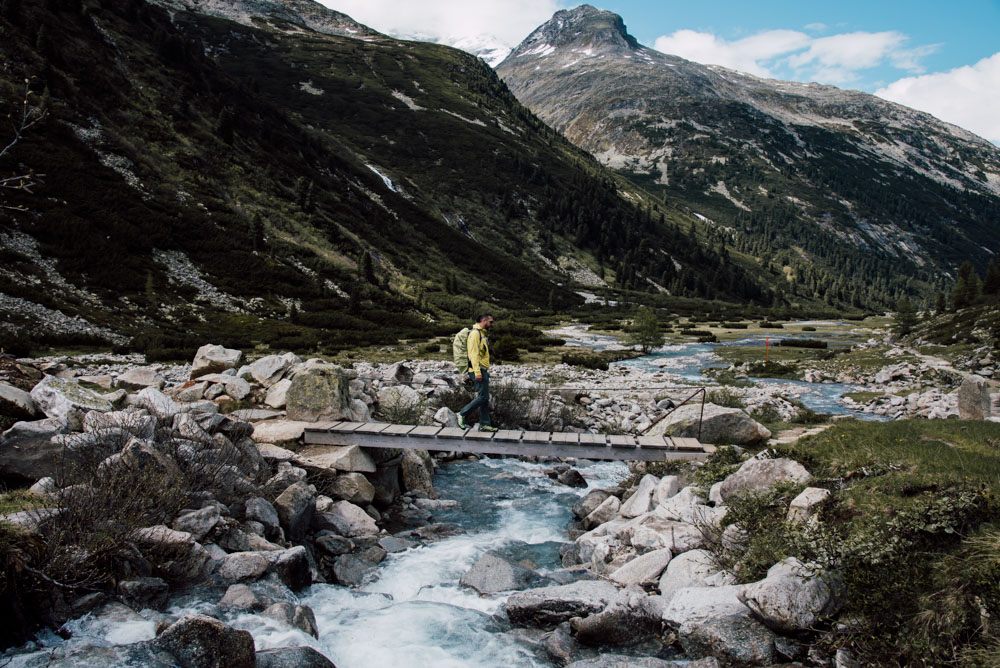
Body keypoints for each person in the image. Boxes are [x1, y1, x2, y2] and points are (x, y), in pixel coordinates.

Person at [457, 313, 497, 432]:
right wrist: (477, 372)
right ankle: (462, 414)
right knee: (484, 396)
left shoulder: (481, 334)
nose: (492, 324)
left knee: (484, 397)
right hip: (477, 370)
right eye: (491, 322)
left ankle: (484, 424)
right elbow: (473, 354)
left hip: (481, 370)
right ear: (484, 321)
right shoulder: (475, 334)